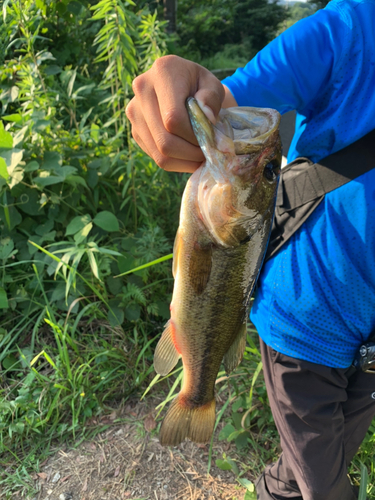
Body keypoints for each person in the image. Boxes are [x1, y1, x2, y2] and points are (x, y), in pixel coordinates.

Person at [126, 0, 375, 498]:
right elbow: (226, 104)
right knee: (324, 485)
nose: (266, 161)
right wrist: (181, 91)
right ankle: (205, 402)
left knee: (336, 445)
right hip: (305, 327)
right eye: (268, 171)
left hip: (372, 343)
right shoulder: (351, 30)